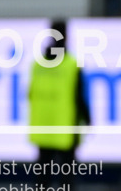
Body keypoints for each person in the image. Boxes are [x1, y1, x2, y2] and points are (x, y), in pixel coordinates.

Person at [28, 20, 90, 176]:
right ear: (67, 36)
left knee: (42, 180)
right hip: (65, 129)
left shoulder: (38, 64)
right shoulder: (71, 64)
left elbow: (30, 94)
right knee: (67, 181)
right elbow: (78, 96)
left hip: (42, 128)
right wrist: (87, 119)